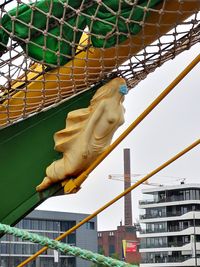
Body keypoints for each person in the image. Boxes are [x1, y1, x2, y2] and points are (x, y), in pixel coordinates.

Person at [36, 77, 128, 191]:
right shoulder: (105, 103)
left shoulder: (122, 109)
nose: (125, 88)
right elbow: (91, 123)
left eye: (125, 85)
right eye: (122, 85)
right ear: (115, 87)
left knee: (85, 167)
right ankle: (50, 177)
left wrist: (108, 147)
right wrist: (84, 144)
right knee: (73, 165)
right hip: (91, 141)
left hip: (103, 146)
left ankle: (66, 178)